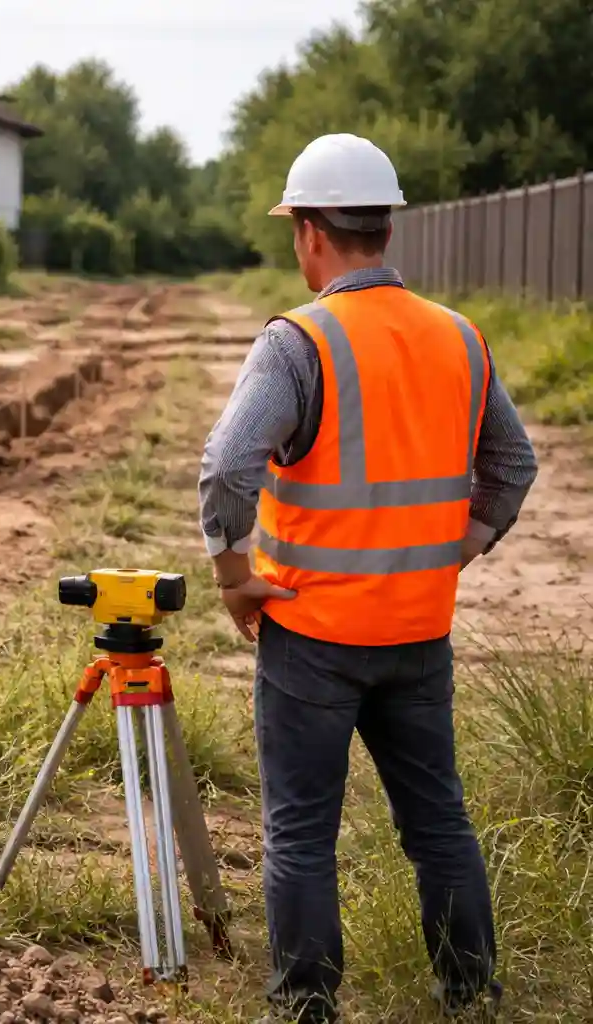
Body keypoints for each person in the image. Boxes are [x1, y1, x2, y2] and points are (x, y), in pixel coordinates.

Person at [198, 133, 539, 1022]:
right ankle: (471, 995)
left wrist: (233, 575)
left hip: (311, 634)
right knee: (438, 825)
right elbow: (513, 466)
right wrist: (454, 551)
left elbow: (228, 467)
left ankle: (307, 1007)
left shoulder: (298, 341)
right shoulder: (459, 336)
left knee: (301, 833)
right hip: (419, 635)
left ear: (310, 231)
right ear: (386, 226)